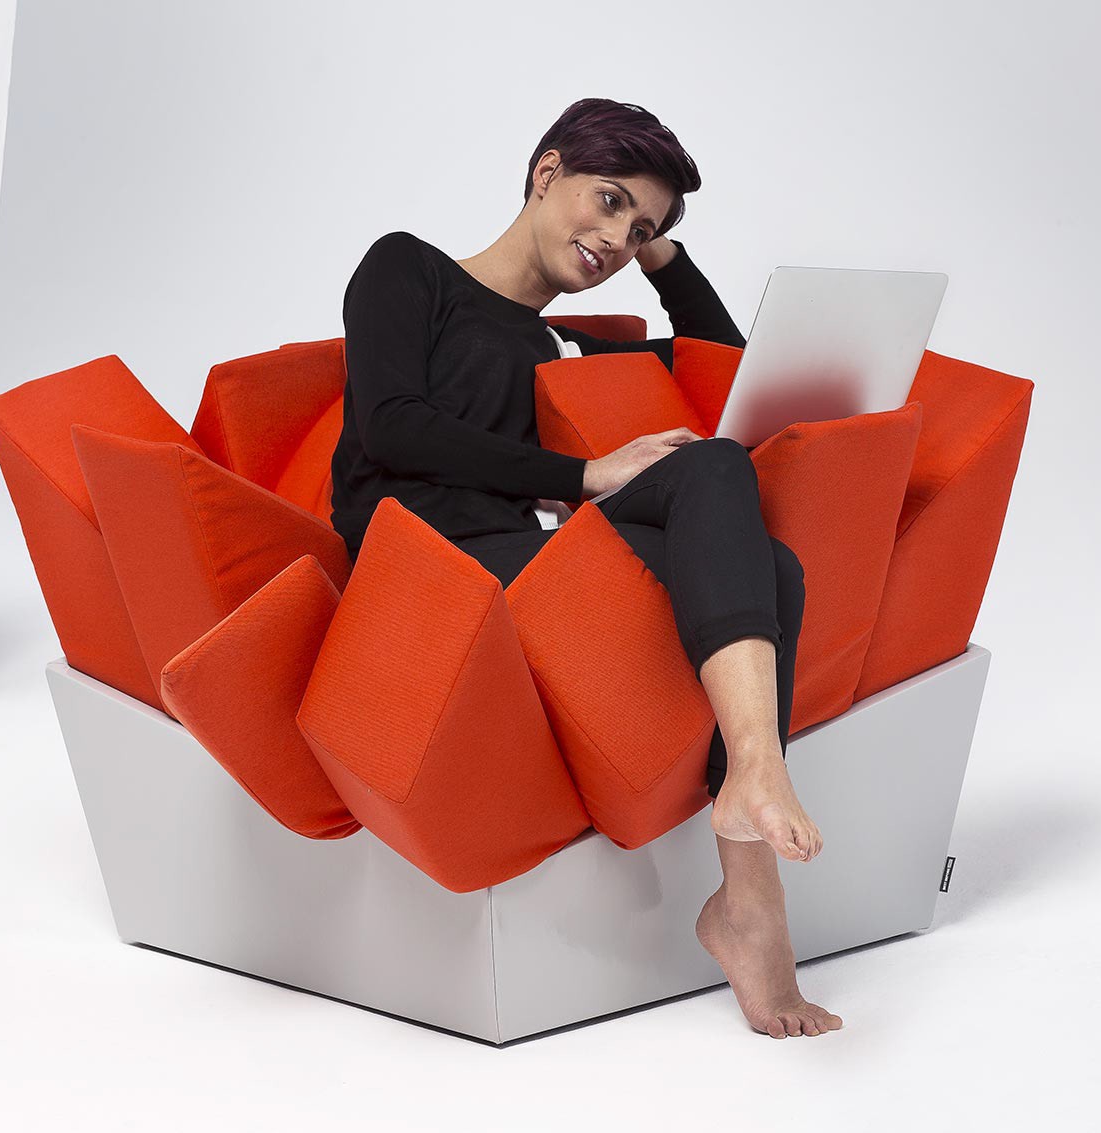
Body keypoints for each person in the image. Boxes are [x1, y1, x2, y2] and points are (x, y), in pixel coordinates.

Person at [329, 98, 842, 1039]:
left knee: (754, 535)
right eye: (607, 201)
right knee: (742, 539)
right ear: (545, 172)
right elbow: (391, 425)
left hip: (529, 564)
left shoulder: (566, 343)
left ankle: (747, 876)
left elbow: (729, 368)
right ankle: (756, 857)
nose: (615, 237)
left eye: (636, 228)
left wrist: (664, 255)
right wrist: (583, 475)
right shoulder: (408, 268)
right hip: (428, 568)